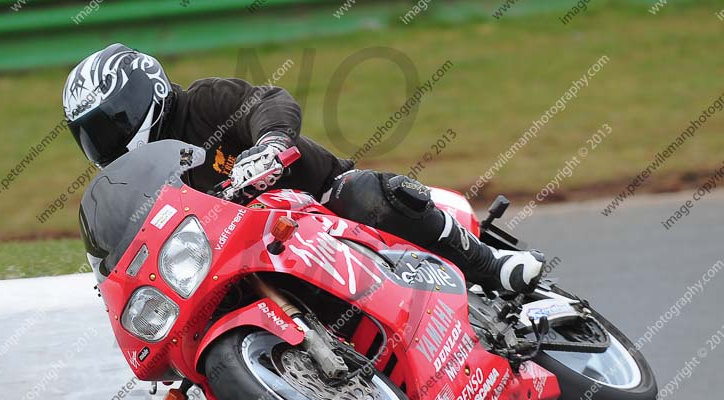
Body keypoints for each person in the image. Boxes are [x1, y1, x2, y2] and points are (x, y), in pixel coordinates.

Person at [63, 44, 544, 293]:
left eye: (111, 125)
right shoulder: (137, 177)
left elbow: (267, 101)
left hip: (323, 203)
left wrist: (271, 143)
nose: (104, 143)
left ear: (145, 95)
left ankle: (490, 266)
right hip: (251, 254)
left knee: (368, 194)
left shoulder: (203, 102)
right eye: (92, 135)